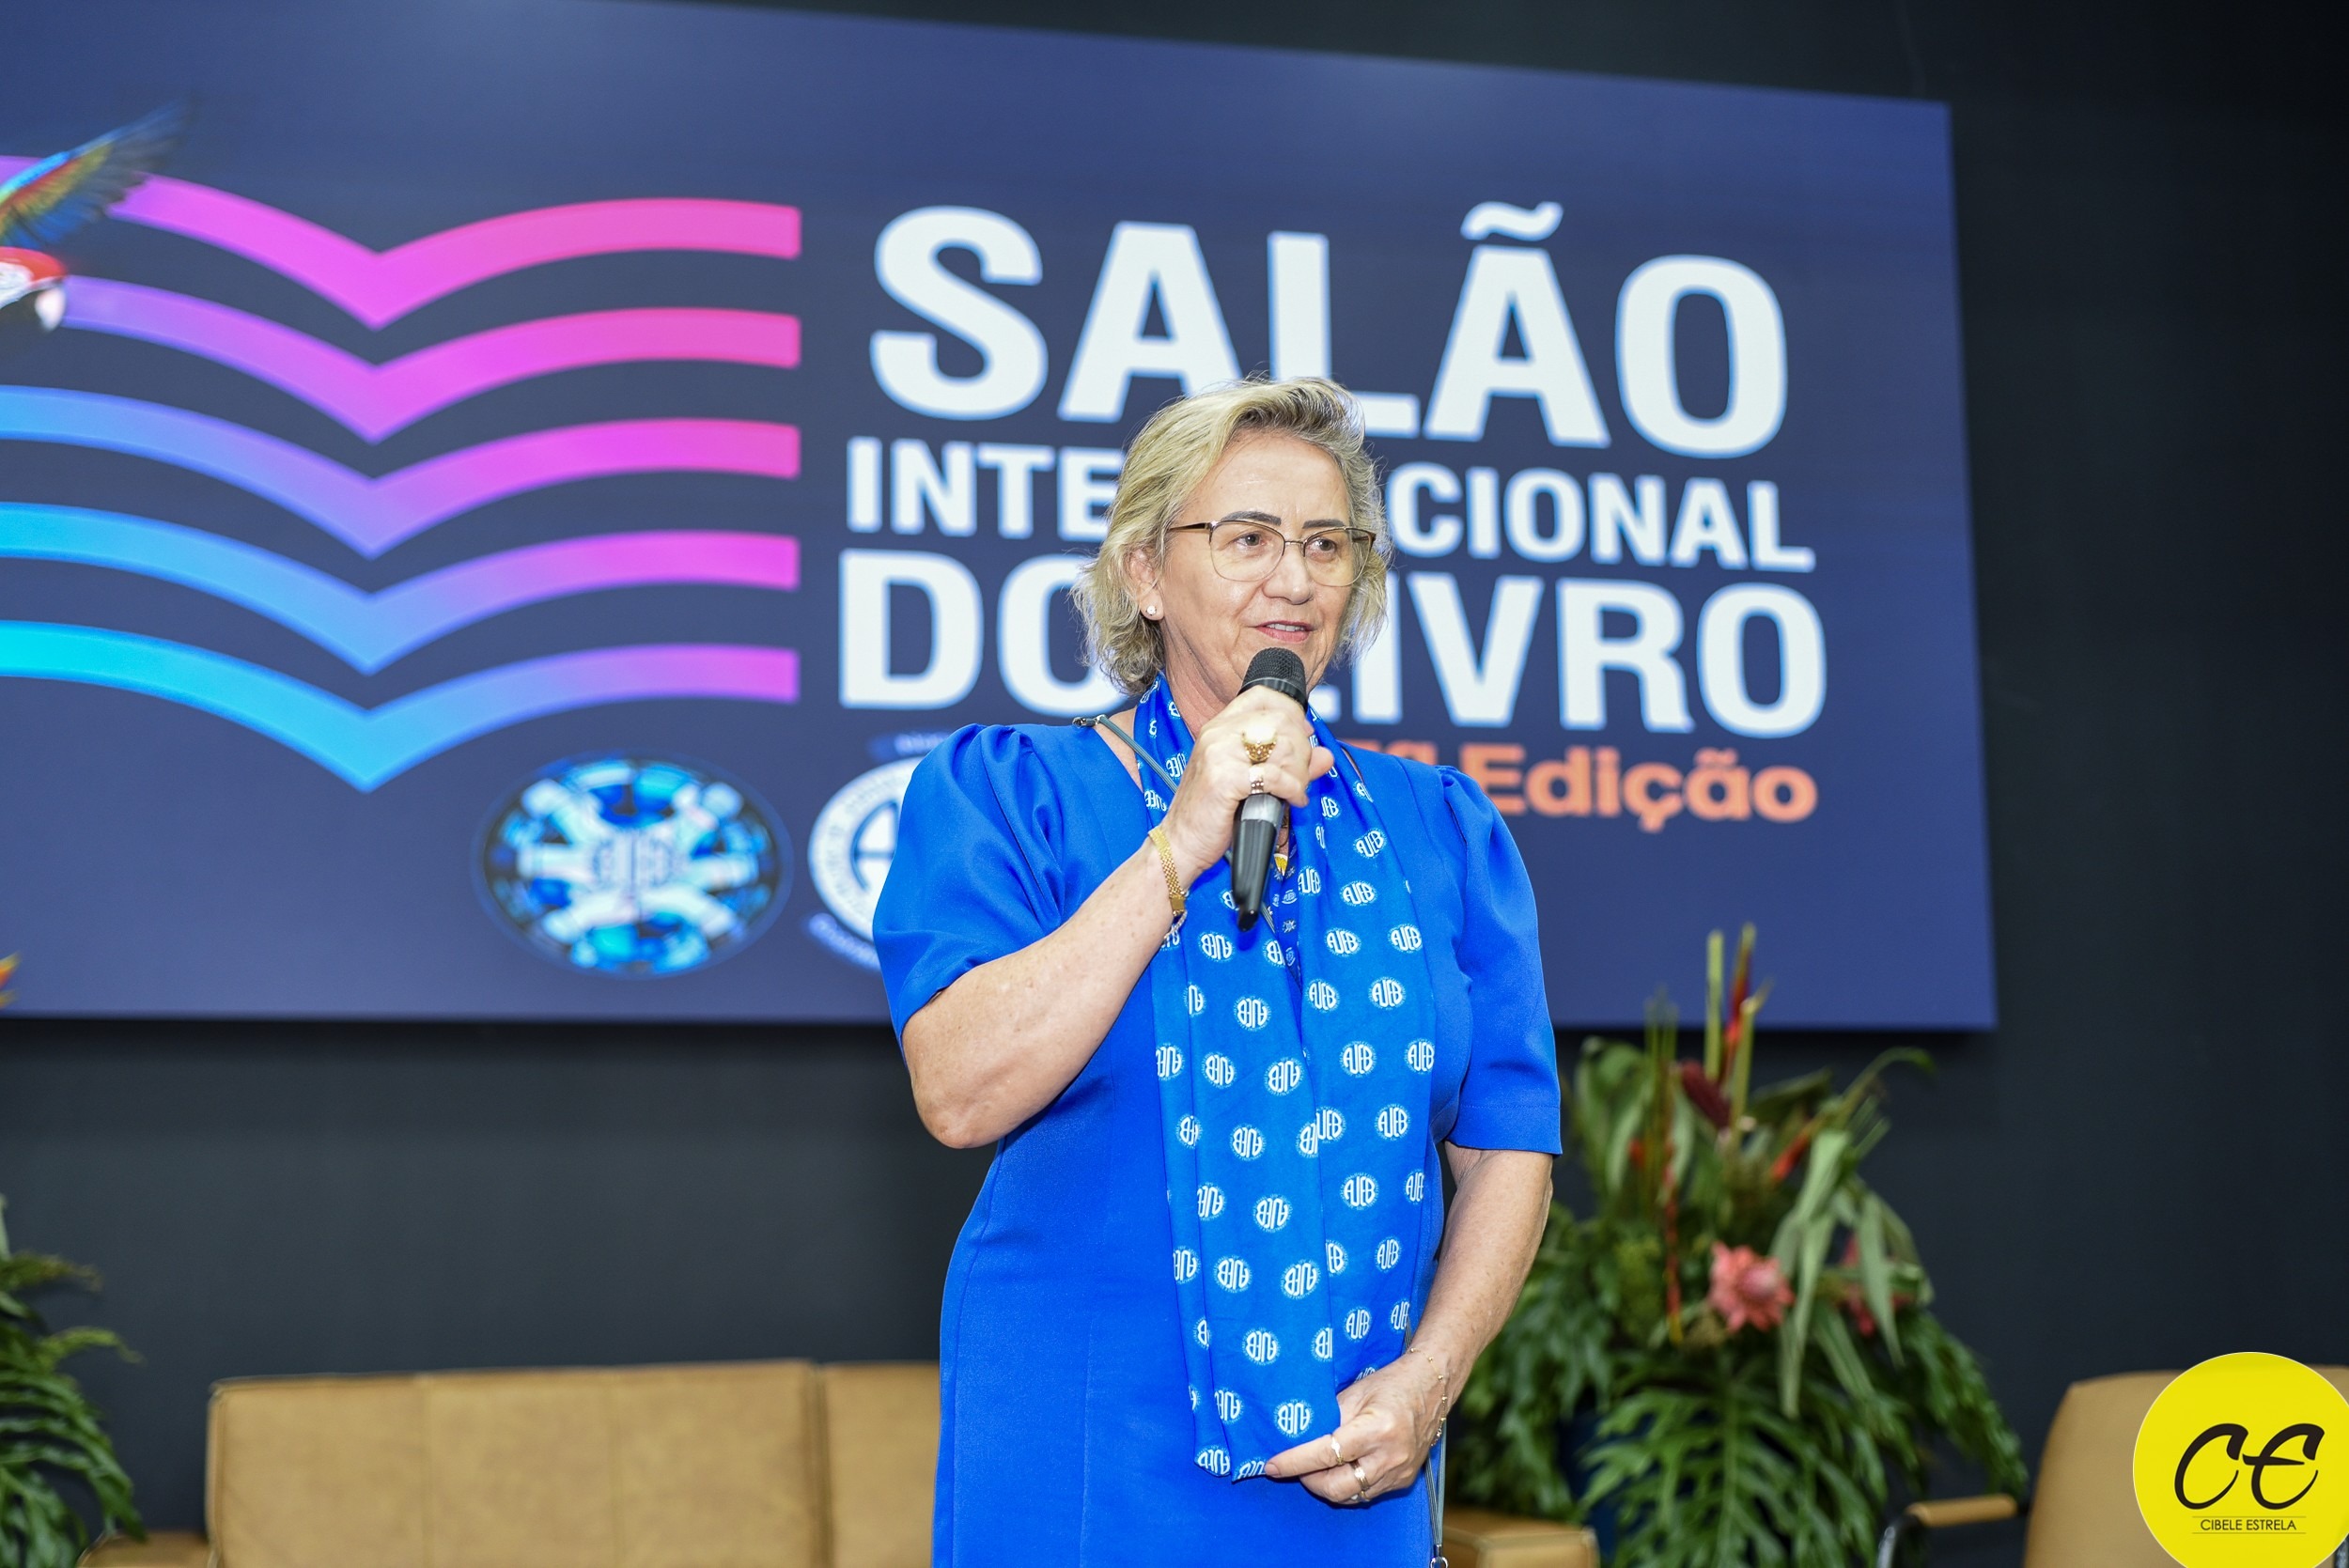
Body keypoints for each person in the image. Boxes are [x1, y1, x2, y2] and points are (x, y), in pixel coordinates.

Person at [874, 377, 1560, 1567]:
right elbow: (959, 1090)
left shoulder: (1443, 830)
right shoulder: (1012, 792)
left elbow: (1508, 1142)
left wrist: (1430, 1379)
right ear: (1144, 573)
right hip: (1081, 1460)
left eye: (1326, 544)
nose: (1292, 578)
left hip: (1352, 1463)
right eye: (1246, 538)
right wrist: (1179, 844)